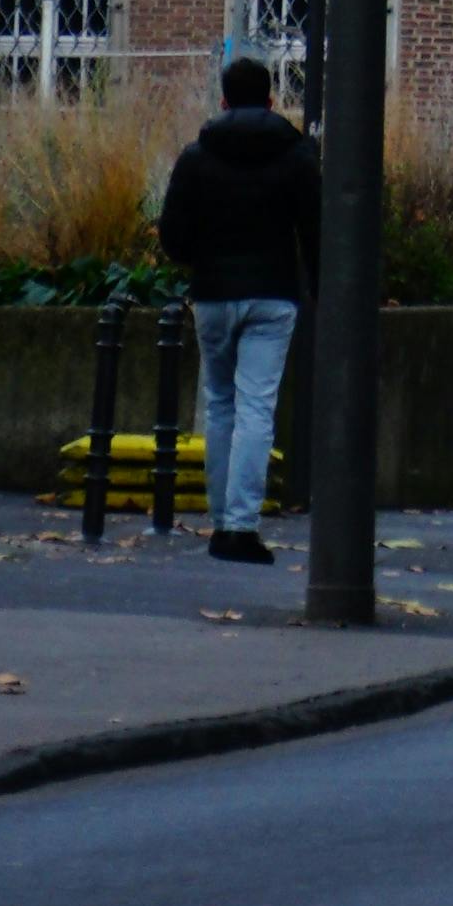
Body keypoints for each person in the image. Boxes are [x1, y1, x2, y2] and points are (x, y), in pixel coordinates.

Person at [158, 51, 327, 559]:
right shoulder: (297, 156)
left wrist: (201, 261)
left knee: (220, 403)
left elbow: (173, 235)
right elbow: (316, 232)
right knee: (257, 405)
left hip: (212, 294)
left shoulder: (196, 156)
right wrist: (318, 289)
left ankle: (219, 522)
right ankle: (241, 526)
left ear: (224, 101)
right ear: (273, 100)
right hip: (273, 294)